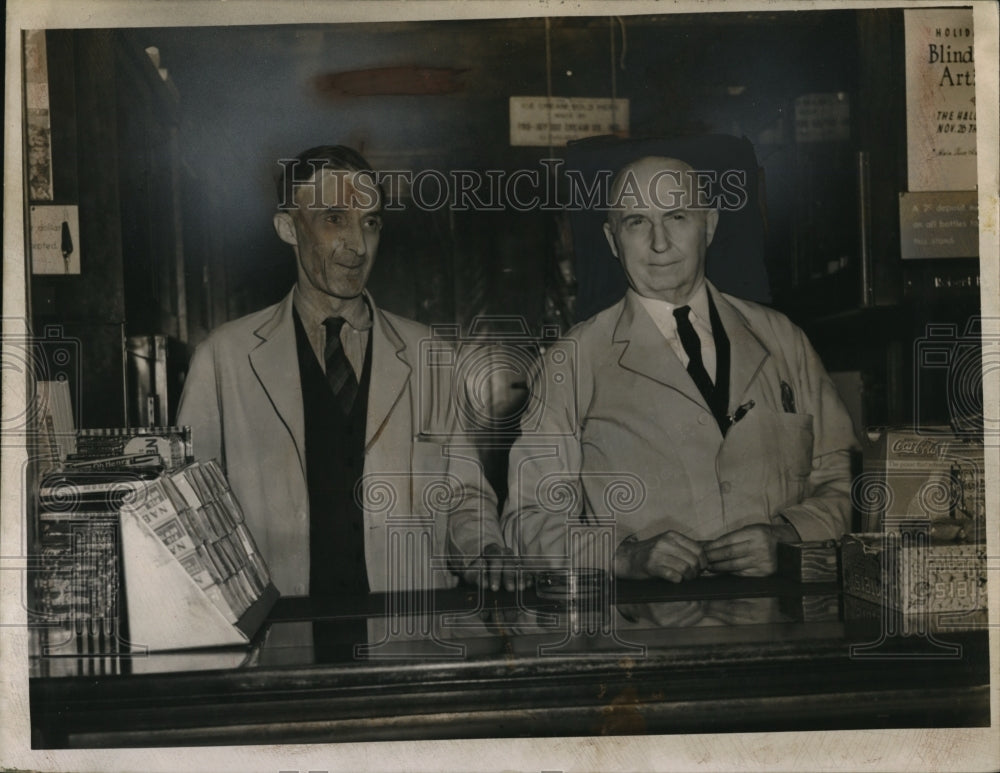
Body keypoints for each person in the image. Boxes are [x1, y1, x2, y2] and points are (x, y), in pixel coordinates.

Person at [500, 155, 857, 581]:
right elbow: (527, 520)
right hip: (649, 637)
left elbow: (840, 481)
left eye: (677, 216)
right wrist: (622, 557)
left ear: (709, 224)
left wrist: (788, 536)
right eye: (636, 222)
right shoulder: (572, 361)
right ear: (612, 241)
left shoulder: (783, 340)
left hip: (783, 626)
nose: (659, 243)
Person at [177, 145, 506, 596]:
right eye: (334, 219)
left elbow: (464, 498)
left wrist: (484, 550)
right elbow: (189, 516)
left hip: (405, 636)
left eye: (369, 222)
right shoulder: (222, 360)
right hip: (282, 636)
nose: (357, 244)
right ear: (289, 228)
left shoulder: (429, 354)